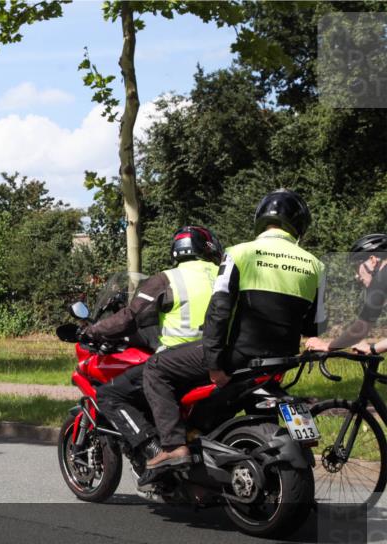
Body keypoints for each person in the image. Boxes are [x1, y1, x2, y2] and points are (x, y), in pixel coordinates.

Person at [140, 189, 326, 481]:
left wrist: (214, 363)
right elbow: (313, 327)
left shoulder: (239, 253)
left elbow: (219, 311)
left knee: (155, 368)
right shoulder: (316, 265)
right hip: (280, 362)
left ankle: (174, 446)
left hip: (237, 356)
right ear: (299, 224)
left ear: (261, 219)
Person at [88, 226, 224, 459]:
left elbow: (129, 318)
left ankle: (154, 450)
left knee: (109, 395)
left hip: (178, 363)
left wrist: (94, 330)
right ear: (207, 248)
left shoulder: (167, 279)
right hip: (219, 358)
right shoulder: (223, 273)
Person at [305, 233, 386, 354]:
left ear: (372, 260)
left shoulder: (382, 278)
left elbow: (360, 328)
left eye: (356, 267)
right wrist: (373, 348)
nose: (357, 276)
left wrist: (328, 346)